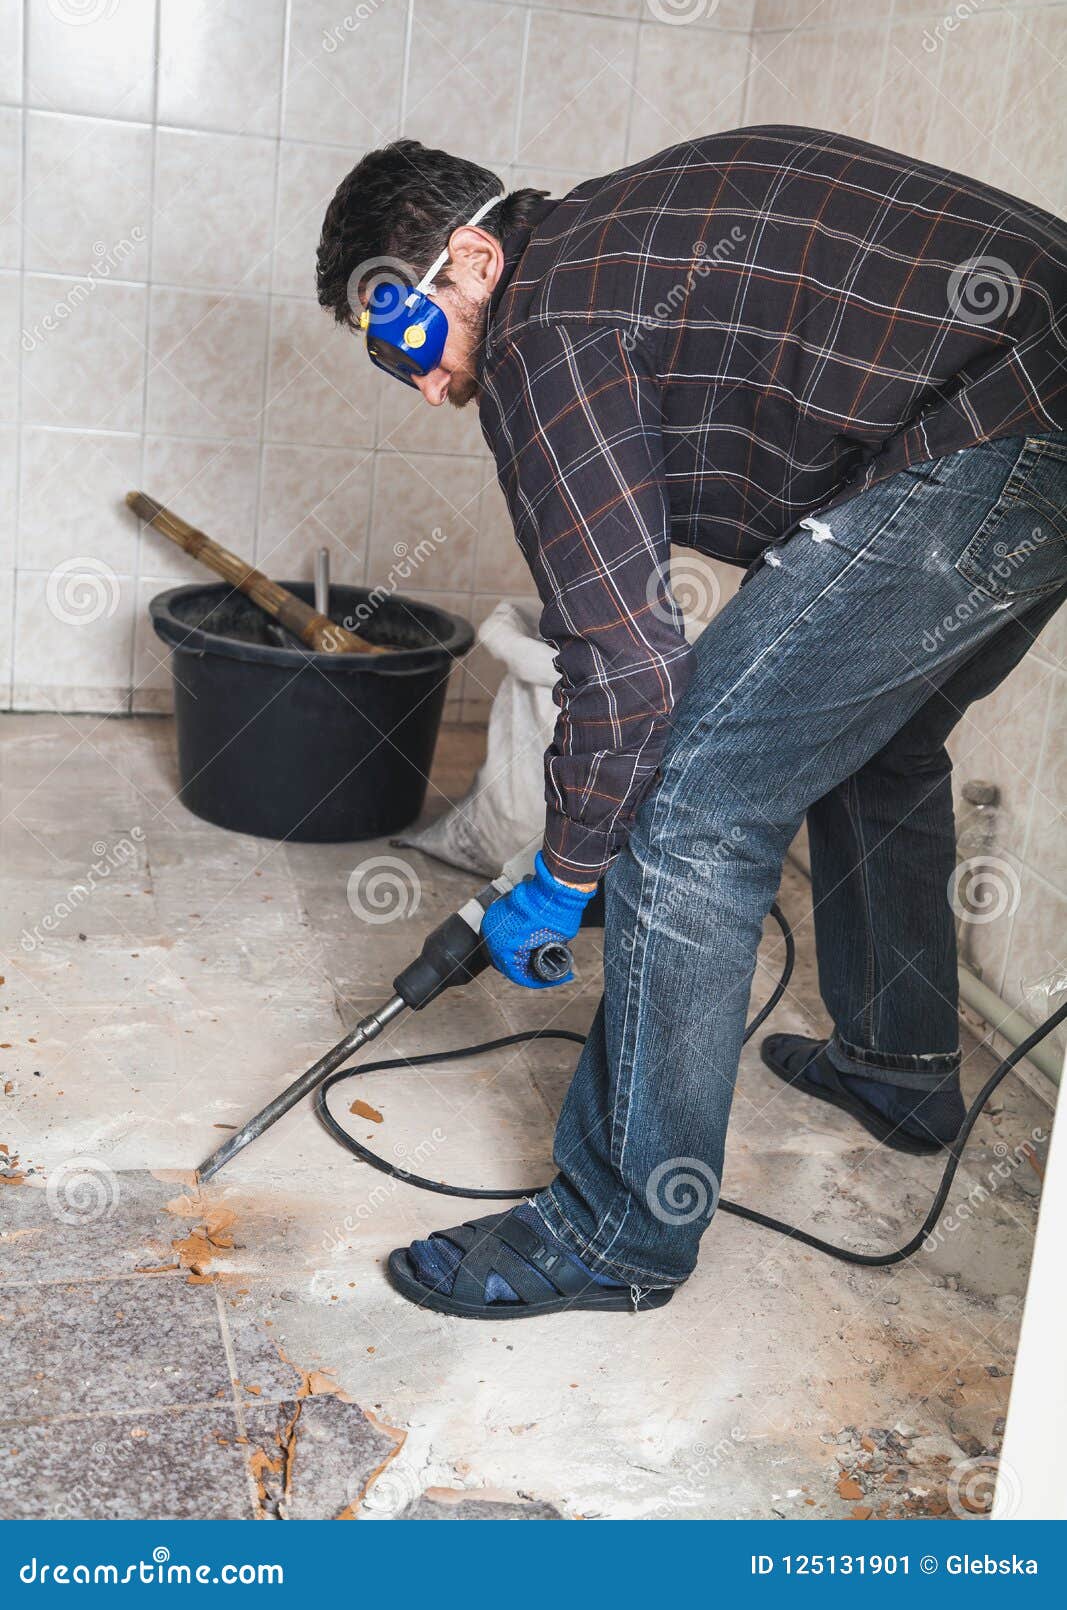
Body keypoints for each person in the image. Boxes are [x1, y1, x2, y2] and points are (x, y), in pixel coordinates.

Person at [317, 127, 1067, 1320]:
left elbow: (625, 666)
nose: (422, 381)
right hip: (1031, 400)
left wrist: (564, 874)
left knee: (690, 801)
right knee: (878, 742)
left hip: (995, 422)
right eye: (384, 358)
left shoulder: (540, 330)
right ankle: (898, 1062)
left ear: (472, 255)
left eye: (410, 331)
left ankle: (617, 1228)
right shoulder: (601, 249)